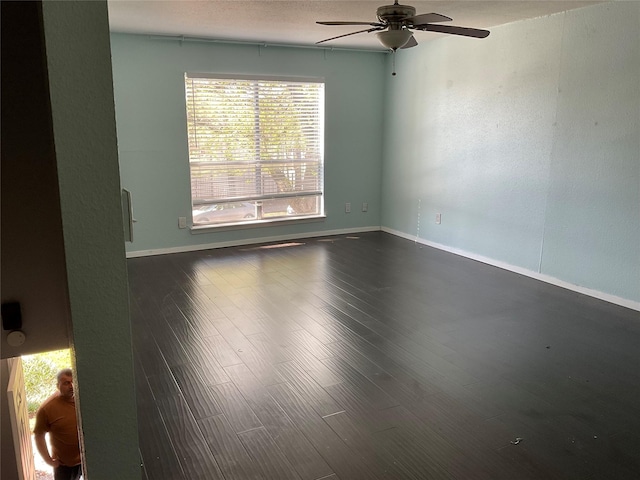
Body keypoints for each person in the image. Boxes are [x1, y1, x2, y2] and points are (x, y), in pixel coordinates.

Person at [33, 368, 82, 480]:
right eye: (66, 383)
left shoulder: (84, 400)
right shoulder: (47, 408)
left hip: (88, 460)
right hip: (64, 465)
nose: (71, 386)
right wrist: (48, 460)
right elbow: (39, 435)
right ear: (57, 385)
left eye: (73, 381)